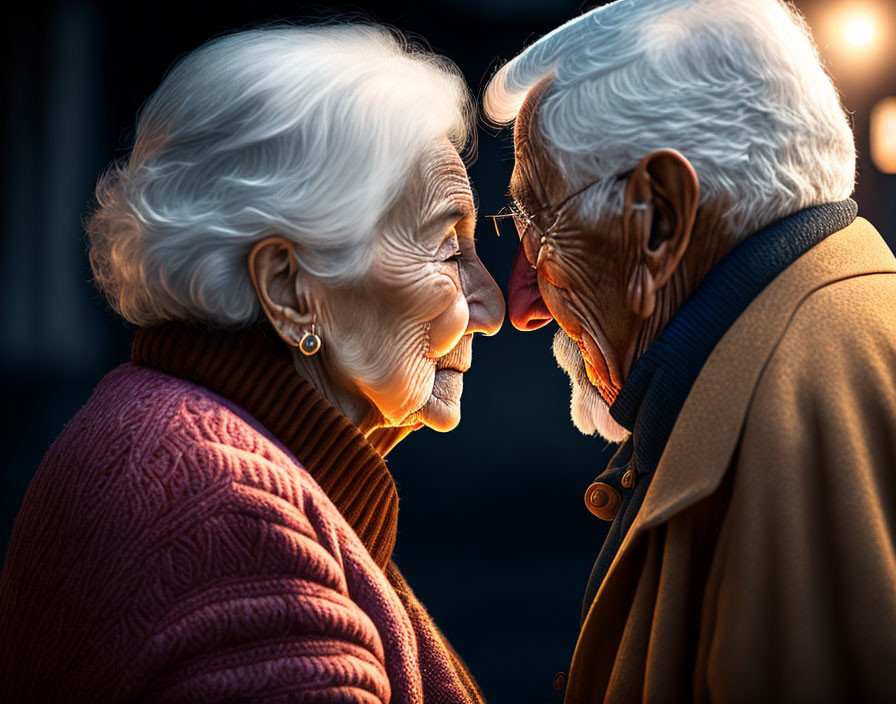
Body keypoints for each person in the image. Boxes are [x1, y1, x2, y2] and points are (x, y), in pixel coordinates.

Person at [0, 24, 504, 702]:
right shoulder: (230, 516)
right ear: (292, 291)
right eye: (448, 248)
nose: (492, 305)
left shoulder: (173, 435)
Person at [484, 0, 896, 700]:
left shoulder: (795, 427)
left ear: (659, 221)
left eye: (540, 224)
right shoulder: (823, 353)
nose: (521, 305)